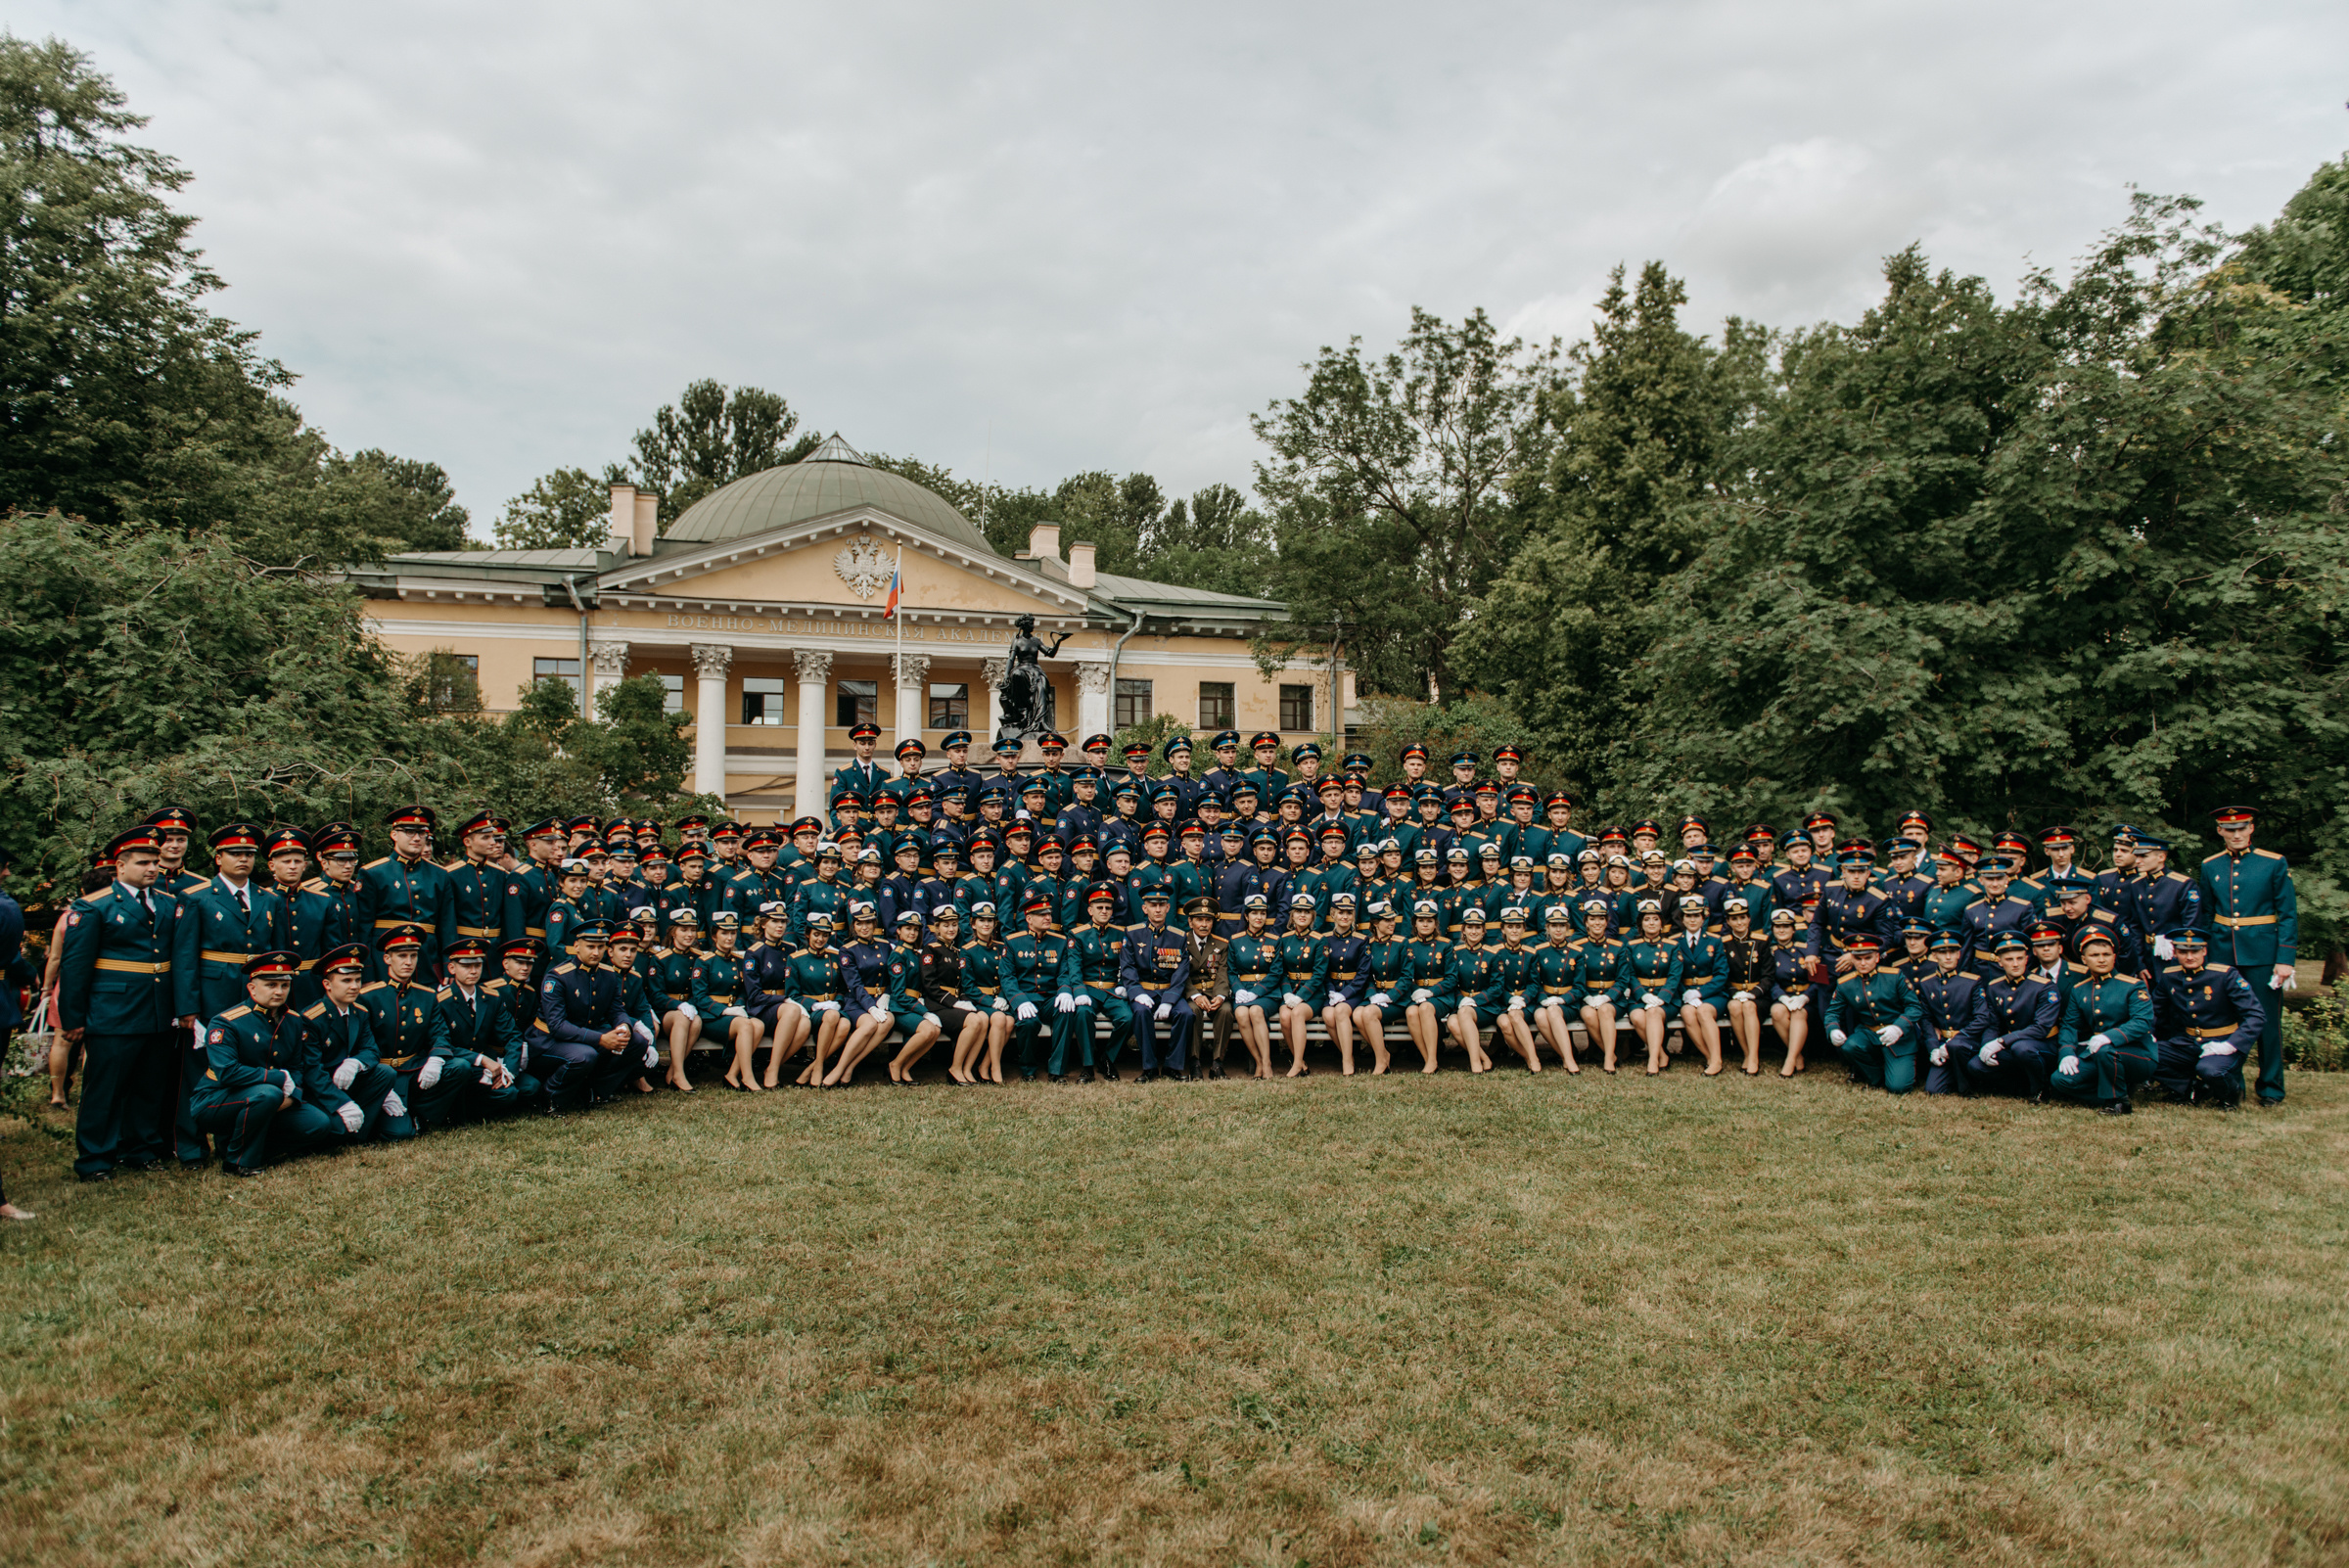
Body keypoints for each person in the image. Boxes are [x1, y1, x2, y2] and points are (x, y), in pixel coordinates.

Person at [57, 827, 192, 1180]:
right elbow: (74, 968)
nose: (153, 869)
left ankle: (140, 1149)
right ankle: (95, 1159)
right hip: (113, 1012)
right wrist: (73, 1018)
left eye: (156, 862)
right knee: (106, 1089)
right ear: (120, 866)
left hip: (158, 1011)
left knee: (149, 1087)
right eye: (144, 862)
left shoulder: (167, 903)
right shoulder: (93, 906)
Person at [191, 950, 344, 1176]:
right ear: (252, 988)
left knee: (318, 1124)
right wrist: (279, 1079)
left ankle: (248, 1148)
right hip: (216, 1099)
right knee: (267, 1094)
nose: (279, 991)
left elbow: (296, 1068)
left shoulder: (293, 1020)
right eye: (271, 985)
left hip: (268, 1099)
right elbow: (227, 1072)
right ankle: (237, 1163)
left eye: (284, 986)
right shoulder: (226, 1022)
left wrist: (291, 1097)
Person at [2198, 805, 2297, 1107]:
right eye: (2230, 829)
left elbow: (2288, 914)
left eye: (2242, 828)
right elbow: (2205, 914)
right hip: (2221, 954)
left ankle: (2270, 1089)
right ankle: (2230, 1085)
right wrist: (2202, 953)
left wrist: (2285, 960)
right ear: (2220, 831)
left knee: (2266, 1023)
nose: (2236, 834)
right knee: (2225, 1021)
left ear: (2252, 828)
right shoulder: (2210, 865)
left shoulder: (2273, 863)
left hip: (2263, 955)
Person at [2148, 926, 2266, 1107]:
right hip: (2188, 1043)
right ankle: (2191, 1087)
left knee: (2210, 1070)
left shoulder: (2225, 975)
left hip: (2222, 1042)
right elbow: (2154, 1011)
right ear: (2174, 953)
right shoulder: (2169, 976)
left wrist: (2231, 1045)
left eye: (2195, 951)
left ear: (2204, 950)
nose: (2189, 957)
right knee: (2143, 1054)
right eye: (2182, 952)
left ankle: (2231, 1094)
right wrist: (2148, 1034)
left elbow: (2255, 1015)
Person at [2048, 927, 2155, 1115]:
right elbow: (2070, 1025)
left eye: (2106, 954)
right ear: (2084, 960)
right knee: (2061, 1079)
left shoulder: (2133, 985)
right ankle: (2115, 1092)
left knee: (2106, 1051)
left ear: (2114, 956)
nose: (2102, 959)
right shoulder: (2079, 989)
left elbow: (2142, 1022)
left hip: (2137, 1053)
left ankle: (2119, 1103)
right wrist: (2067, 1052)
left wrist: (2109, 1037)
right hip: (2099, 1053)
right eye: (2095, 955)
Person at [423, 936, 524, 1122]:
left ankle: (468, 1111)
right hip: (456, 1065)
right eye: (466, 966)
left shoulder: (491, 997)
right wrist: (482, 1060)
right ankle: (454, 1113)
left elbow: (513, 1035)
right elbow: (440, 1043)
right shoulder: (440, 1001)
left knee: (514, 1092)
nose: (473, 971)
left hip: (484, 1068)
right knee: (462, 1071)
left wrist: (508, 1069)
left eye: (477, 965)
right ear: (452, 968)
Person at [1959, 930, 2061, 1099]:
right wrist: (1987, 1045)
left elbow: (2041, 1028)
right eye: (2009, 959)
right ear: (1999, 962)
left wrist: (2001, 1041)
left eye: (2020, 958)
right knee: (1976, 1065)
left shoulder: (2044, 987)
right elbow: (1993, 1024)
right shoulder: (1994, 986)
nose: (2015, 964)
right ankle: (2019, 1086)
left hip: (2043, 1045)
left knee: (2022, 1048)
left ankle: (2041, 1089)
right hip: (2012, 1045)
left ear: (2027, 959)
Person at [1823, 934, 1925, 1093]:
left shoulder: (1894, 976)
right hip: (1869, 1033)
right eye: (1858, 959)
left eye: (1868, 958)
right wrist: (1833, 1029)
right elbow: (1832, 1012)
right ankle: (1876, 1077)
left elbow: (1915, 1007)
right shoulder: (1845, 983)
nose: (1863, 963)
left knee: (1898, 1088)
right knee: (1850, 1046)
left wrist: (1898, 1028)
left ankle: (1897, 1071)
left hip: (1898, 1036)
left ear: (1877, 957)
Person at [1119, 887, 1193, 1082]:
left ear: (1168, 908)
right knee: (1141, 1012)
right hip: (1143, 990)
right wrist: (1136, 992)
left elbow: (1181, 971)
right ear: (1145, 909)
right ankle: (1149, 1067)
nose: (1157, 909)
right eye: (1153, 905)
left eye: (1161, 905)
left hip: (1169, 991)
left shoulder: (1179, 936)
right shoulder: (1132, 933)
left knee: (1185, 1014)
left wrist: (1169, 1000)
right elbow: (1127, 967)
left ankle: (1172, 1066)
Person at [1615, 899, 1682, 1076]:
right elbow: (1629, 974)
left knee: (1653, 1013)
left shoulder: (1673, 946)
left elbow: (1675, 976)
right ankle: (1661, 1053)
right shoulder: (1631, 946)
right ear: (1640, 924)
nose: (1651, 923)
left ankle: (1652, 1060)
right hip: (1641, 997)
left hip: (1665, 998)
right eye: (1646, 920)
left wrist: (1662, 997)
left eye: (1655, 919)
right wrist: (1643, 995)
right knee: (1637, 1017)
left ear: (1662, 922)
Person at [1910, 931, 1978, 1095]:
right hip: (1942, 1044)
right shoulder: (1927, 984)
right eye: (1942, 952)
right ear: (1934, 955)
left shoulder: (1972, 982)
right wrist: (1933, 1047)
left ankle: (1966, 1086)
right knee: (1933, 1090)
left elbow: (1982, 1018)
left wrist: (1959, 1037)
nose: (1948, 957)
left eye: (1952, 952)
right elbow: (1926, 1019)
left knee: (1956, 1047)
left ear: (1959, 954)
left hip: (1966, 1043)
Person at [1225, 895, 1280, 1080]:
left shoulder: (1274, 940)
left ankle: (1267, 1062)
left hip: (1267, 992)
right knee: (1241, 1014)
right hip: (1242, 990)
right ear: (1246, 916)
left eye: (1263, 913)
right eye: (1254, 913)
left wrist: (1256, 992)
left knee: (1256, 1011)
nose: (1259, 917)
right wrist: (1239, 989)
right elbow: (1231, 971)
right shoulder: (1235, 940)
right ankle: (1257, 1061)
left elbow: (1275, 973)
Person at [1718, 901, 1774, 1076]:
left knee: (1749, 1007)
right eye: (1734, 919)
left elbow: (1768, 976)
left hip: (1758, 995)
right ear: (1728, 922)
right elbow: (1722, 974)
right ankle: (1747, 1053)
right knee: (1734, 1007)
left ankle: (1754, 1057)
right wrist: (1735, 993)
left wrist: (1753, 994)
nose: (1739, 922)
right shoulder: (1724, 943)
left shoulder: (1762, 941)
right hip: (1734, 993)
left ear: (1749, 919)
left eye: (1743, 917)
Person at [1673, 897, 1727, 1075]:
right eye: (1688, 916)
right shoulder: (1675, 942)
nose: (1692, 919)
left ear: (1703, 918)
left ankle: (1717, 1059)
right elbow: (1674, 975)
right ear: (1682, 919)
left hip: (1712, 993)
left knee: (1703, 1011)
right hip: (1686, 993)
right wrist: (1686, 993)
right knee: (1688, 1013)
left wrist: (1700, 993)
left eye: (1696, 915)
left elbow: (1721, 975)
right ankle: (1709, 1057)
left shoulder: (1715, 941)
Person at [1767, 907, 1813, 1076]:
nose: (1782, 930)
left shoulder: (1806, 950)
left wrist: (1805, 997)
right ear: (1772, 930)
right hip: (1784, 997)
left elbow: (1819, 981)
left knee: (1798, 1013)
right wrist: (1783, 998)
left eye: (1786, 926)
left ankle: (1790, 1060)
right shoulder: (1770, 952)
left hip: (1806, 999)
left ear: (1793, 929)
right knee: (1776, 1011)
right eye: (1778, 927)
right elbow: (1770, 980)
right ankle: (1798, 1056)